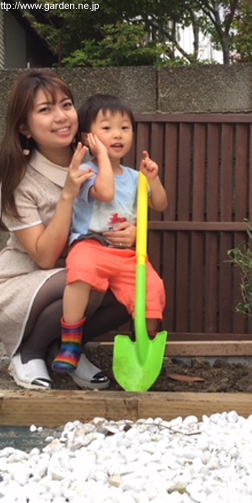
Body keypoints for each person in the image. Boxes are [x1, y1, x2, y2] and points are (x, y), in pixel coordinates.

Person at [0, 71, 137, 390]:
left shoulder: (97, 158)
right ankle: (30, 352)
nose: (61, 116)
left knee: (131, 287)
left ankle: (66, 348)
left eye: (66, 105)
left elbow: (118, 210)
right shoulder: (19, 184)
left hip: (78, 269)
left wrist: (130, 231)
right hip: (20, 283)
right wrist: (68, 193)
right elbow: (45, 256)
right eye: (45, 109)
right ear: (24, 128)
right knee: (86, 275)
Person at [51, 94, 167, 373]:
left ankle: (144, 348)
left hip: (127, 255)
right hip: (91, 246)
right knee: (81, 273)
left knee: (154, 289)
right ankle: (71, 342)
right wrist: (101, 156)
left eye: (125, 128)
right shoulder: (86, 171)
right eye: (107, 128)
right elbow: (106, 192)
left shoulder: (135, 177)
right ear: (89, 136)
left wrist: (154, 179)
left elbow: (160, 205)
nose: (118, 134)